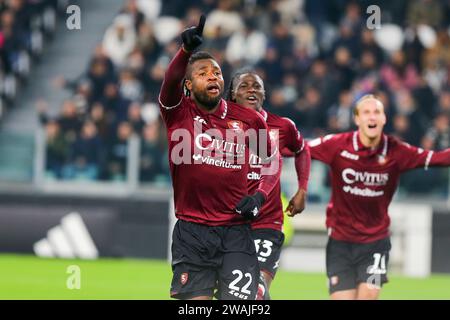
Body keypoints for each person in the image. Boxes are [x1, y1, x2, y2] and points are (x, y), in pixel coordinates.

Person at [159, 15, 280, 300]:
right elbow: (170, 80)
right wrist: (185, 51)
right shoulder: (178, 112)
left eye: (216, 72)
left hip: (235, 233)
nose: (213, 76)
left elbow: (271, 162)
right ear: (188, 85)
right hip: (192, 232)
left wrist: (260, 196)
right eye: (203, 73)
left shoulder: (248, 120)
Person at [308, 94, 450, 300]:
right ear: (357, 119)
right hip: (340, 242)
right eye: (366, 112)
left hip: (375, 242)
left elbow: (436, 158)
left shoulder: (396, 151)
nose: (372, 117)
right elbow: (299, 148)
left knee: (369, 295)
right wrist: (254, 145)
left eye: (377, 112)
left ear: (384, 118)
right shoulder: (337, 145)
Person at [227, 69, 311, 299]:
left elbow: (302, 149)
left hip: (267, 221)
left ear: (264, 94)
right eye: (244, 86)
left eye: (257, 86)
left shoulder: (282, 126)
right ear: (232, 95)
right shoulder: (220, 126)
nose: (251, 89)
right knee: (233, 294)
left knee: (255, 289)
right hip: (228, 222)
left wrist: (302, 188)